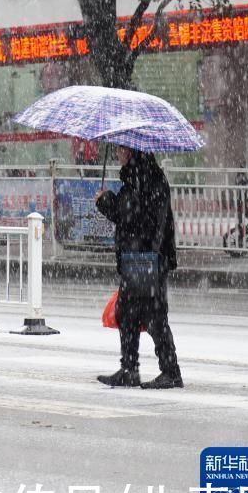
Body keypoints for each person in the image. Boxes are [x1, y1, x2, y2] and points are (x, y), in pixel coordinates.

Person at [95, 146, 183, 389]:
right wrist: (109, 203)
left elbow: (135, 217)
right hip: (140, 256)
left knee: (154, 316)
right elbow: (130, 216)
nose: (117, 153)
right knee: (128, 313)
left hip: (147, 257)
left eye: (121, 149)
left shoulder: (146, 178)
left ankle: (170, 371)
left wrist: (107, 201)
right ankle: (129, 369)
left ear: (132, 151)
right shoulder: (139, 176)